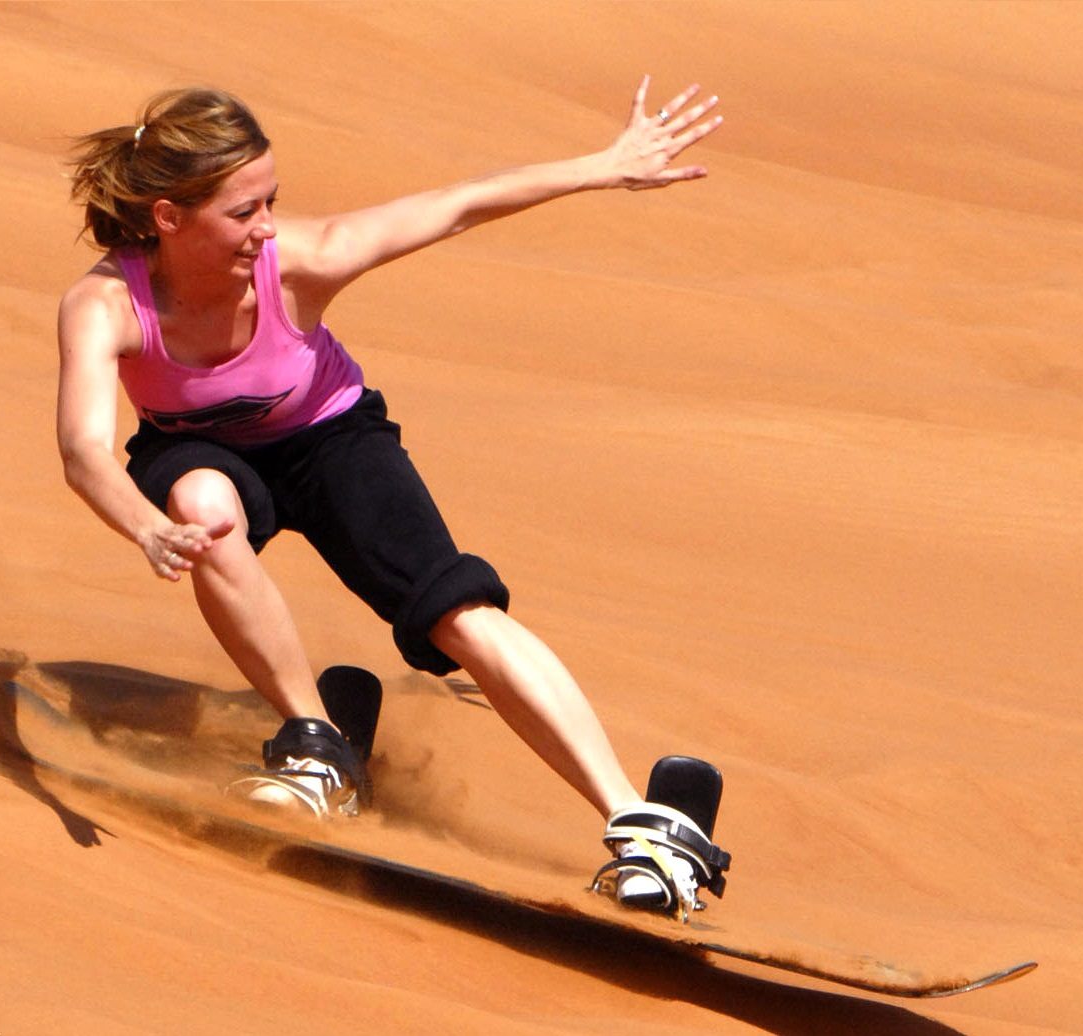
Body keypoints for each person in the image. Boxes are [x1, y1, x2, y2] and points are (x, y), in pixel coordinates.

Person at [57, 80, 728, 914]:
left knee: (454, 608)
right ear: (167, 217)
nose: (266, 226)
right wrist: (144, 526)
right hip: (195, 447)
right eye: (243, 212)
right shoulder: (106, 305)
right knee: (203, 508)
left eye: (271, 202)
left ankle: (642, 821)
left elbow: (456, 206)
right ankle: (316, 743)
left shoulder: (305, 262)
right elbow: (84, 449)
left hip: (332, 440)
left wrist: (604, 166)